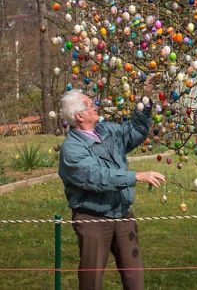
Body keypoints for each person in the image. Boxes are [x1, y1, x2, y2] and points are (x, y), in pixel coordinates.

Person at [58, 88, 165, 290]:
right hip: (93, 218)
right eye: (90, 105)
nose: (96, 106)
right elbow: (98, 177)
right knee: (92, 281)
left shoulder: (107, 131)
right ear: (79, 116)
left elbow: (136, 132)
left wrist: (145, 99)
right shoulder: (71, 149)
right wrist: (136, 176)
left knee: (135, 279)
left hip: (122, 213)